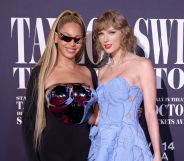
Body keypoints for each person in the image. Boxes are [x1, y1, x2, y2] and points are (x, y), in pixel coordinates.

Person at [22, 10, 98, 161]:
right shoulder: (41, 72)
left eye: (77, 39)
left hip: (87, 153)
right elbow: (29, 122)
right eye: (66, 37)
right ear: (56, 37)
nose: (72, 44)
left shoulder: (89, 72)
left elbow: (98, 116)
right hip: (52, 153)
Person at [88, 10, 161, 161]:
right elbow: (99, 115)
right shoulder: (102, 71)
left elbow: (149, 112)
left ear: (124, 33)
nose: (105, 39)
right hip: (103, 143)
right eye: (101, 33)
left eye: (111, 32)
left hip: (127, 144)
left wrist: (157, 154)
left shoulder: (142, 64)